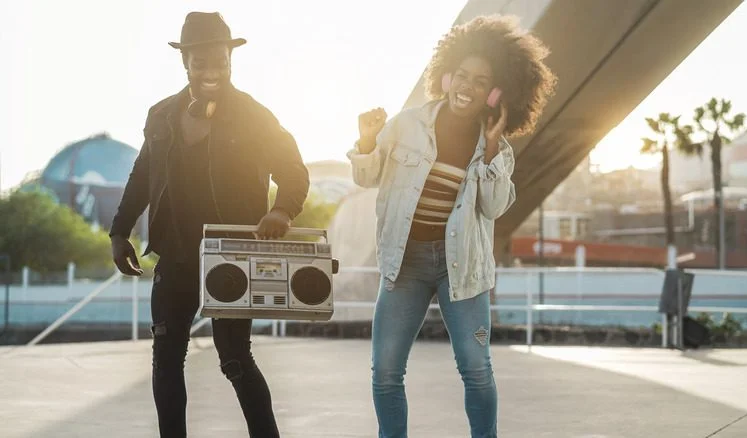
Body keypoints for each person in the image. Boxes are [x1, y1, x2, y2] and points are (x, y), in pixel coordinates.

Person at [347, 15, 556, 437]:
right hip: (405, 263)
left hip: (461, 268)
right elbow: (366, 177)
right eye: (461, 75)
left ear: (495, 93)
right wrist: (367, 140)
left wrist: (492, 149)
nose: (467, 86)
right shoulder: (406, 125)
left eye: (481, 81)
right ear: (446, 76)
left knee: (476, 369)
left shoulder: (497, 149)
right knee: (385, 371)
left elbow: (493, 207)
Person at [109, 11, 309, 438]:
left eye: (220, 61)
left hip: (231, 255)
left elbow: (293, 171)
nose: (211, 71)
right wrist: (119, 231)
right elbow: (142, 177)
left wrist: (282, 211)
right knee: (166, 359)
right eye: (200, 63)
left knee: (235, 358)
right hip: (175, 255)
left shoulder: (254, 115)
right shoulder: (161, 115)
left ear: (230, 61)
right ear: (186, 63)